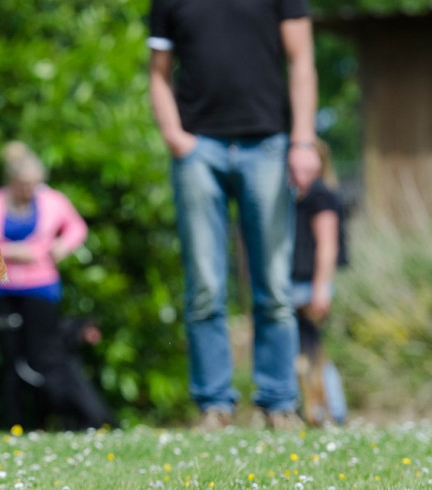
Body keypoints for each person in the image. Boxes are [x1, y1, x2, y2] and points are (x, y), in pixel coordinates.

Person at [148, 0, 321, 429]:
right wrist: (175, 136)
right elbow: (158, 73)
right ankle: (214, 406)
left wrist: (302, 140)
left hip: (267, 145)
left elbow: (302, 60)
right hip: (198, 149)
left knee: (274, 286)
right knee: (206, 286)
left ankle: (279, 403)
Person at [0, 141, 89, 429]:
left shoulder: (52, 200)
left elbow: (77, 227)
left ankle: (47, 421)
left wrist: (61, 246)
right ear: (11, 181)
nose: (29, 190)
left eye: (33, 184)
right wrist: (16, 252)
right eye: (23, 184)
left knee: (42, 358)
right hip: (1, 289)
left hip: (42, 289)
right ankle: (14, 423)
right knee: (10, 359)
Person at [290, 140, 348, 426]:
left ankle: (331, 412)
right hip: (297, 283)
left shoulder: (320, 195)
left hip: (308, 286)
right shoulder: (299, 197)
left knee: (313, 354)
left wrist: (320, 288)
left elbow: (327, 245)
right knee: (304, 353)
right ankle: (316, 411)